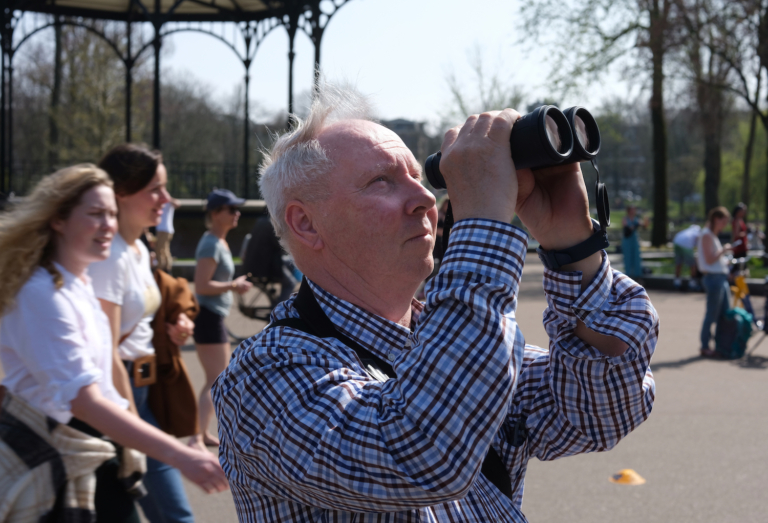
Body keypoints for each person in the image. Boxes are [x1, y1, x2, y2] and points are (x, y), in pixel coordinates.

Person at [213, 83, 658, 521]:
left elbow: (600, 410)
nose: (426, 197)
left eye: (418, 176)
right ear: (306, 223)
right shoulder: (262, 377)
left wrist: (572, 246)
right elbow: (421, 454)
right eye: (381, 181)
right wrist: (481, 228)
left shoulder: (453, 336)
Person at [0, 165, 227, 522]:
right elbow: (85, 401)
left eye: (111, 214)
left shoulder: (78, 283)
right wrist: (180, 455)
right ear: (58, 220)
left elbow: (104, 378)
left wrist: (134, 436)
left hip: (89, 447)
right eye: (95, 214)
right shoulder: (41, 294)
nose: (108, 225)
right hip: (54, 455)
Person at [88, 145, 199, 523]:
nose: (166, 199)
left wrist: (175, 324)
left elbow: (143, 313)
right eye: (155, 190)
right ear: (120, 192)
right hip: (119, 395)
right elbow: (106, 351)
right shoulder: (109, 257)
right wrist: (134, 426)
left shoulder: (137, 247)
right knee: (175, 514)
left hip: (141, 390)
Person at [192, 189, 253, 448]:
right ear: (216, 214)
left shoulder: (219, 242)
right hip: (208, 317)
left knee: (216, 378)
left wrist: (232, 284)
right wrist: (233, 285)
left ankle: (202, 433)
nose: (237, 213)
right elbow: (201, 285)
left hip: (214, 316)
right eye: (231, 209)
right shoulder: (211, 244)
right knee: (215, 379)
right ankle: (196, 437)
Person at [697, 206, 733, 357]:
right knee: (712, 314)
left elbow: (715, 260)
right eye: (724, 221)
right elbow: (710, 259)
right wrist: (724, 250)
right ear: (716, 219)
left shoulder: (711, 234)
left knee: (724, 312)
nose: (725, 225)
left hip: (719, 277)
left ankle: (720, 344)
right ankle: (705, 345)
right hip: (713, 279)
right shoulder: (706, 234)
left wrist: (725, 263)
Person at [242, 213, 299, 304]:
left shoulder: (260, 220)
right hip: (265, 267)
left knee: (289, 263)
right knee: (290, 283)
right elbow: (281, 245)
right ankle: (280, 309)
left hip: (254, 265)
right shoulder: (272, 224)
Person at [621, 205, 647, 278]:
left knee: (636, 257)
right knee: (627, 258)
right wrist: (636, 225)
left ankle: (637, 276)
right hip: (627, 241)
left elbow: (644, 226)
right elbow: (627, 228)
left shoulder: (637, 219)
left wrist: (645, 221)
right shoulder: (625, 219)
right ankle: (628, 275)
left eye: (634, 210)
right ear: (628, 211)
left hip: (634, 241)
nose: (633, 211)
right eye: (632, 210)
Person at [673, 224, 701, 290]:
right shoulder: (697, 233)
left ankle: (677, 282)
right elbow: (699, 244)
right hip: (686, 245)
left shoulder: (686, 231)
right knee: (693, 264)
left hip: (676, 242)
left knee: (678, 263)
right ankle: (692, 283)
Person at [156, 198, 180, 272]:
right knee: (164, 250)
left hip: (164, 229)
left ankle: (161, 269)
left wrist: (168, 199)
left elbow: (177, 203)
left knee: (160, 250)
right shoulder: (159, 202)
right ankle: (167, 269)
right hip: (162, 229)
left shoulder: (168, 201)